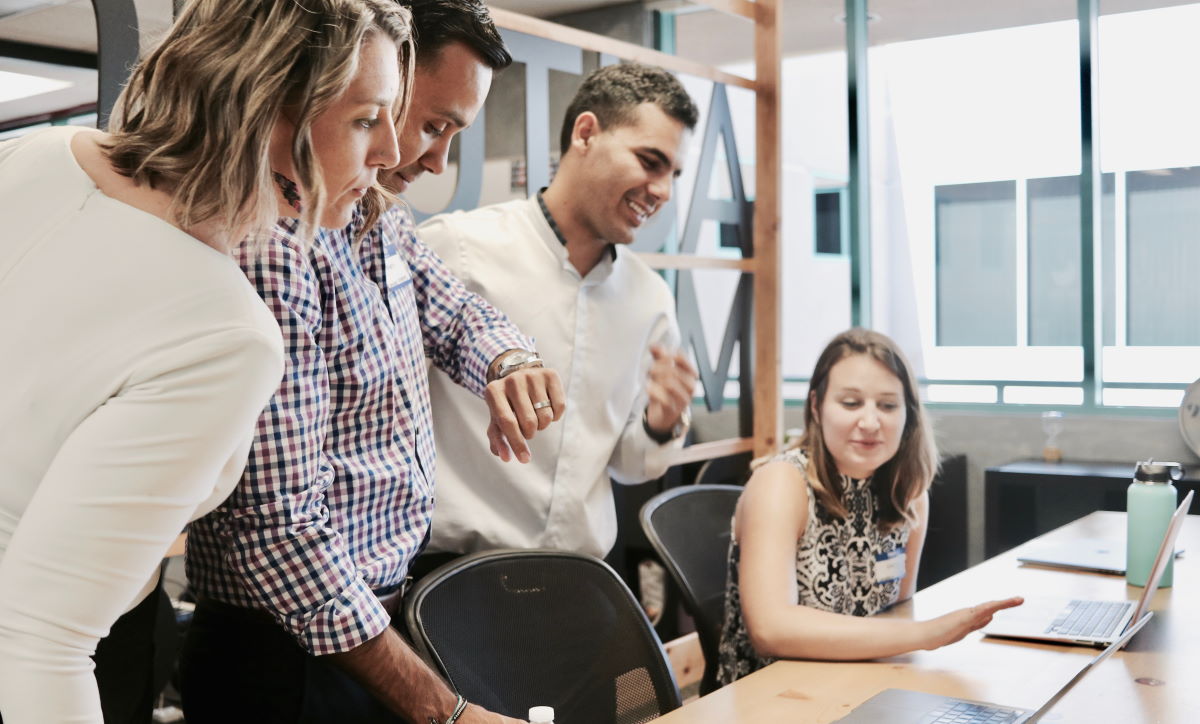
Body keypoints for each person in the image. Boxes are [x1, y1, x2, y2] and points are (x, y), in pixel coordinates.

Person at [0, 0, 415, 722]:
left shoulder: (32, 156)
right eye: (364, 119)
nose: (392, 153)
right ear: (269, 105)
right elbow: (38, 642)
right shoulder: (227, 333)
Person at [181, 3, 550, 722]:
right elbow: (280, 530)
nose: (429, 158)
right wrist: (442, 709)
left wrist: (508, 361)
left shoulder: (371, 215)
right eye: (433, 125)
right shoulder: (274, 245)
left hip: (368, 620)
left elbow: (457, 313)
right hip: (288, 654)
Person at [415, 62, 700, 564]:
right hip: (451, 574)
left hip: (580, 580)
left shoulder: (649, 297)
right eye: (649, 161)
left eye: (673, 175)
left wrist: (661, 422)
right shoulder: (456, 249)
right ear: (585, 132)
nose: (663, 192)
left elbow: (632, 463)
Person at [715, 328, 1023, 684]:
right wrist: (928, 634)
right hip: (769, 695)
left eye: (888, 405)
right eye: (850, 403)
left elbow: (894, 614)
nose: (871, 422)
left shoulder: (908, 492)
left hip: (859, 681)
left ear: (908, 414)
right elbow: (770, 629)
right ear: (816, 406)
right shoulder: (782, 482)